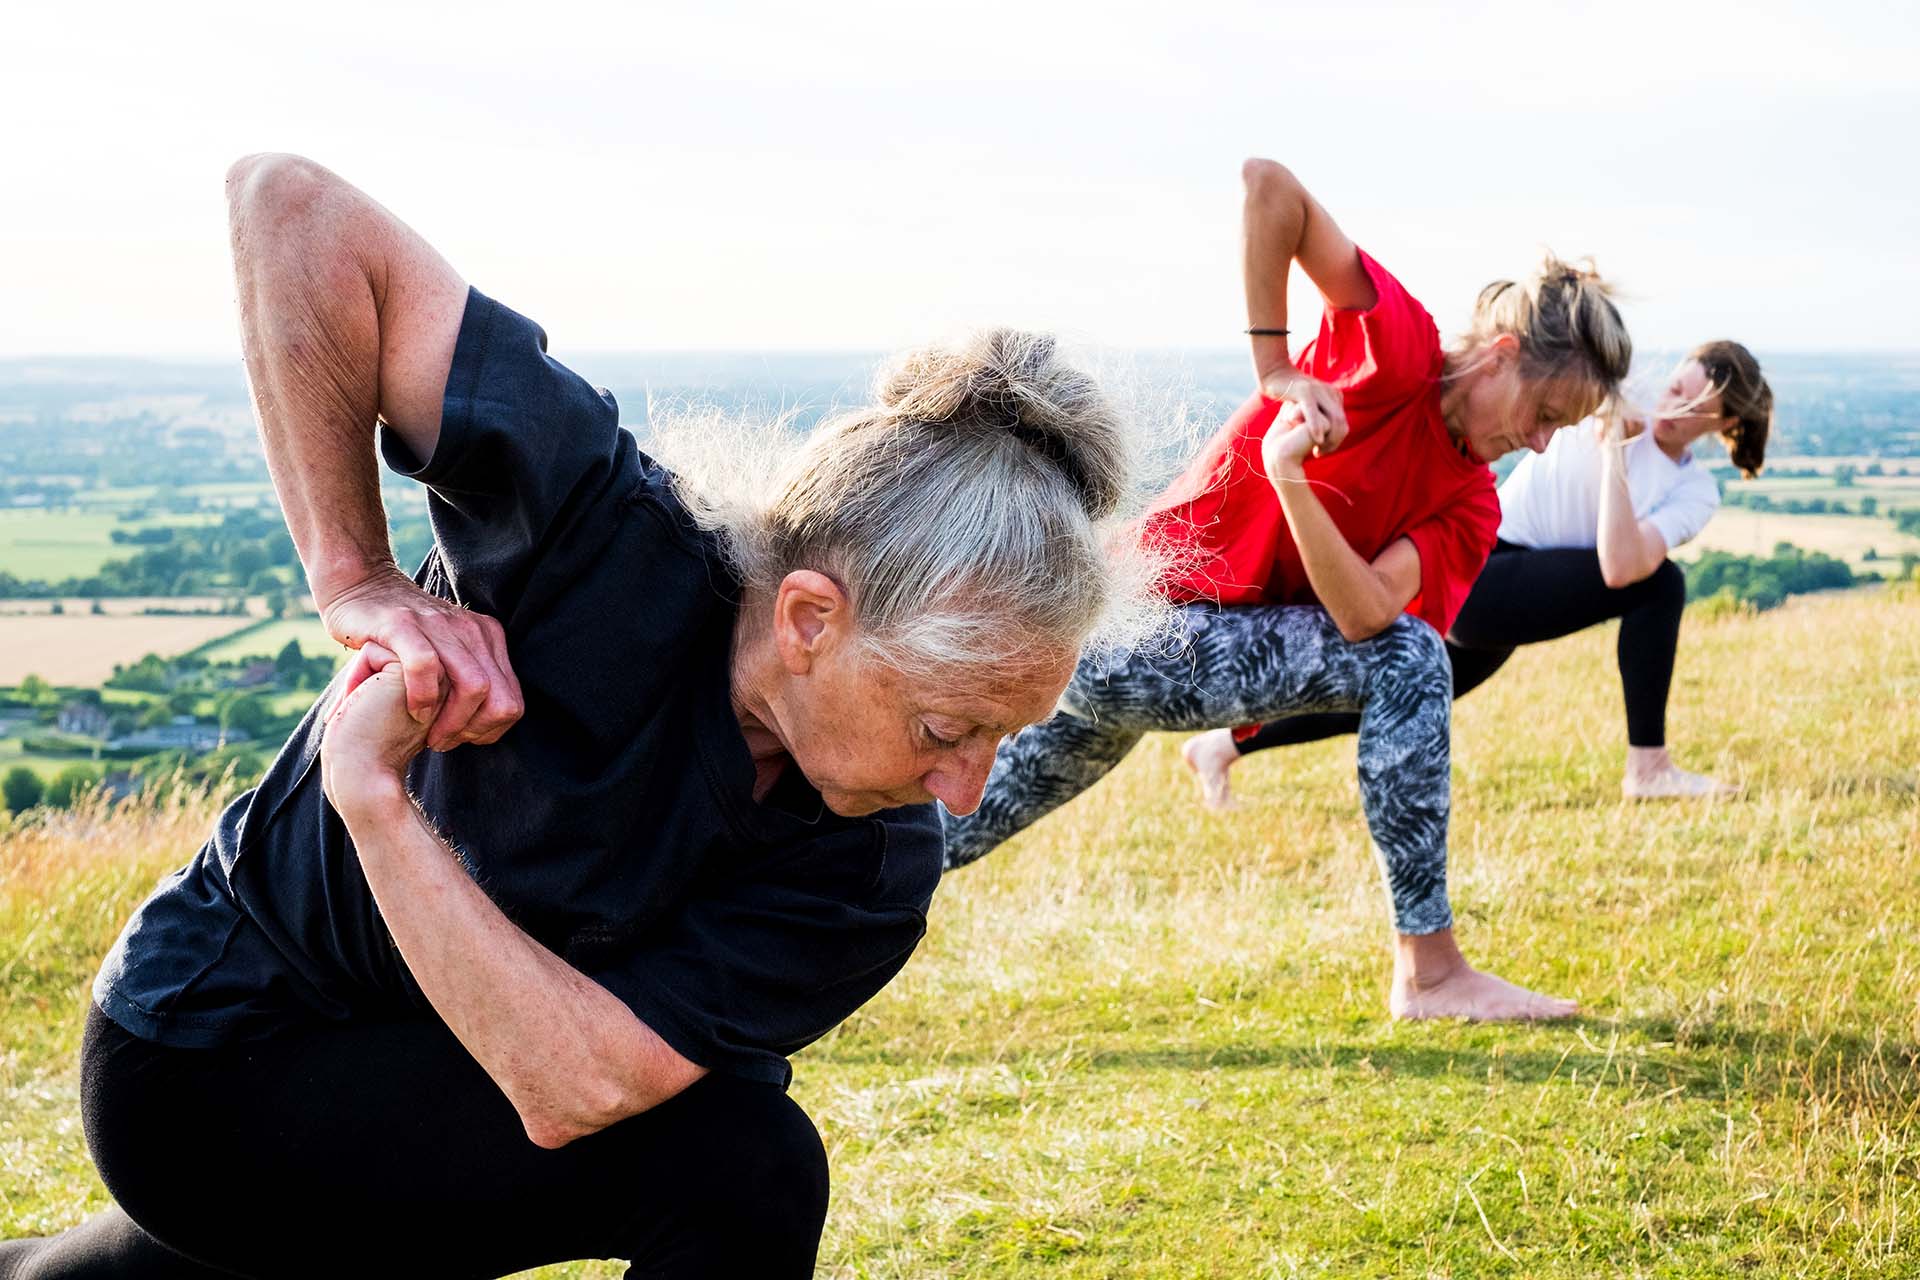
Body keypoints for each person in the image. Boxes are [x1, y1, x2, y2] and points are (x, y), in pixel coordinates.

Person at [0, 154, 1161, 1280]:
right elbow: (287, 204)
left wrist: (375, 804)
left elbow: (573, 1088)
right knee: (742, 1166)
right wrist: (356, 575)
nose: (968, 787)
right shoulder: (597, 533)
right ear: (811, 618)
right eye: (947, 726)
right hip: (215, 1053)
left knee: (737, 1159)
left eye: (1001, 736)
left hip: (452, 1079)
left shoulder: (870, 863)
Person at [942, 158, 1633, 1023]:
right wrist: (1276, 372)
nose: (1539, 444)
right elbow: (1269, 187)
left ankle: (759, 885)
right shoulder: (1398, 347)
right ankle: (1430, 972)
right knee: (1412, 660)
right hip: (1129, 623)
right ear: (1500, 358)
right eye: (1546, 416)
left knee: (942, 838)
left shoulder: (1471, 500)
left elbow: (1366, 614)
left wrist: (1289, 479)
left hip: (1149, 657)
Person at [1185, 341, 1772, 804]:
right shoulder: (1606, 399)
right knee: (1663, 584)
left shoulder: (1695, 489)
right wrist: (1614, 428)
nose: (1675, 409)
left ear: (1723, 427)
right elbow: (1629, 572)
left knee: (1420, 688)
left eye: (1699, 409)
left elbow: (1619, 565)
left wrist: (1615, 454)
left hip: (1521, 589)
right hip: (1485, 565)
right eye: (1675, 389)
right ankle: (1649, 767)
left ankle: (1221, 747)